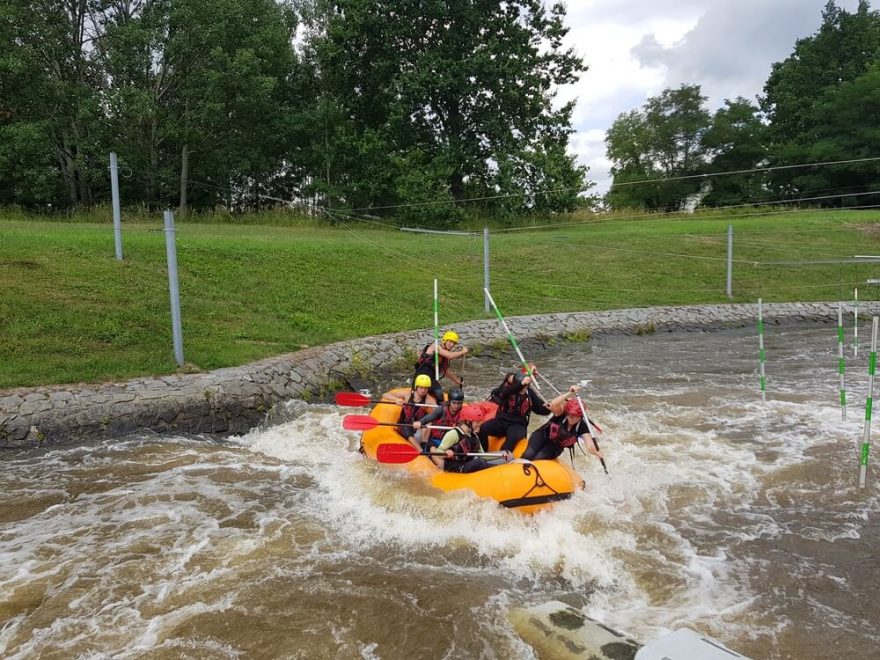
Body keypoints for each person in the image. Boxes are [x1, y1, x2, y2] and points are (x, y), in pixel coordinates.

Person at [478, 371, 551, 452]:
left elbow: (540, 410)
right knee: (483, 429)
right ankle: (484, 452)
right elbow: (506, 391)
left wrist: (549, 408)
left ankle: (501, 460)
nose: (524, 389)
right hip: (502, 420)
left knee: (511, 441)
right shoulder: (508, 390)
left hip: (518, 425)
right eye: (522, 386)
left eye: (526, 386)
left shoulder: (530, 394)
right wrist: (521, 384)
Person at [523, 394, 604, 463]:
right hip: (542, 436)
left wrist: (595, 452)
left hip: (555, 447)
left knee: (537, 459)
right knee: (528, 455)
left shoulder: (582, 426)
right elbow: (554, 404)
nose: (572, 418)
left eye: (575, 416)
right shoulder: (561, 413)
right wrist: (569, 393)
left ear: (580, 416)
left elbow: (589, 444)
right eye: (570, 415)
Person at [432, 406, 509, 473]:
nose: (479, 424)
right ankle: (499, 470)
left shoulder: (473, 435)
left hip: (469, 463)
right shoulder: (454, 434)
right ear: (468, 421)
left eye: (480, 422)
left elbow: (482, 455)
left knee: (508, 456)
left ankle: (503, 467)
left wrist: (502, 456)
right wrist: (446, 453)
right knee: (478, 462)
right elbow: (438, 452)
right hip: (457, 467)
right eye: (477, 422)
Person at [385, 374, 439, 450]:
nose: (423, 390)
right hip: (404, 425)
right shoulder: (407, 394)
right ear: (416, 387)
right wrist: (396, 399)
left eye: (426, 388)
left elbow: (439, 410)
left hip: (417, 428)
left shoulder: (429, 400)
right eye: (421, 388)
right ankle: (421, 451)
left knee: (429, 419)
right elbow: (385, 394)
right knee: (405, 427)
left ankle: (424, 443)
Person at [412, 330, 469, 401]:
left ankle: (439, 409)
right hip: (421, 377)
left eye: (454, 343)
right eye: (450, 342)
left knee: (439, 395)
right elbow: (450, 356)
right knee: (422, 395)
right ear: (445, 340)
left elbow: (447, 371)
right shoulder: (435, 346)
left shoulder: (444, 356)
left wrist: (457, 381)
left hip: (431, 379)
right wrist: (463, 351)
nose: (452, 345)